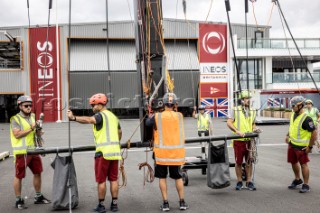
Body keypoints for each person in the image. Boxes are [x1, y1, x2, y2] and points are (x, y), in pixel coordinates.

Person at [67, 93, 122, 212]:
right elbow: (119, 132)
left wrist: (74, 118)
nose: (92, 107)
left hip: (103, 154)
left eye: (93, 105)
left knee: (101, 180)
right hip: (115, 153)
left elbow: (89, 120)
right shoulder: (113, 116)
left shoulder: (100, 116)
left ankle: (101, 206)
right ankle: (114, 204)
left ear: (100, 104)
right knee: (113, 179)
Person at [146, 93, 189, 212]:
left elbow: (147, 123)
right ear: (175, 104)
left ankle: (165, 203)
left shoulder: (157, 116)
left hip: (162, 154)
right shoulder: (180, 116)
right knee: (178, 177)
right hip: (176, 154)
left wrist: (150, 113)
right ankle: (182, 202)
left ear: (163, 103)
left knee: (162, 178)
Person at [10, 95, 51, 209]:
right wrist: (32, 128)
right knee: (19, 176)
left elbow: (35, 133)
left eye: (30, 105)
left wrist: (38, 129)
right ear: (20, 106)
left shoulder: (32, 116)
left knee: (38, 172)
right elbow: (17, 134)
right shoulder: (15, 119)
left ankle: (38, 197)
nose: (29, 107)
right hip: (22, 152)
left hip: (33, 150)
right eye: (26, 106)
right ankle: (18, 200)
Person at [226, 90, 258, 191]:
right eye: (244, 99)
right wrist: (237, 131)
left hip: (249, 140)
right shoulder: (235, 110)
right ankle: (239, 181)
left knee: (249, 162)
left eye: (248, 98)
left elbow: (252, 123)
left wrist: (255, 128)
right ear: (241, 100)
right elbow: (229, 122)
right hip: (238, 140)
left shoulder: (253, 111)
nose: (246, 100)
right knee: (238, 162)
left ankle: (248, 181)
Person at [286, 96, 317, 193]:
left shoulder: (307, 119)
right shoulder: (293, 114)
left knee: (303, 165)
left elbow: (314, 133)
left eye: (294, 106)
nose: (292, 107)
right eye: (291, 105)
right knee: (293, 162)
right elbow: (292, 126)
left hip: (302, 147)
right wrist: (287, 135)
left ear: (300, 106)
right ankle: (298, 179)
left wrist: (310, 146)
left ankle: (306, 184)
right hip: (292, 144)